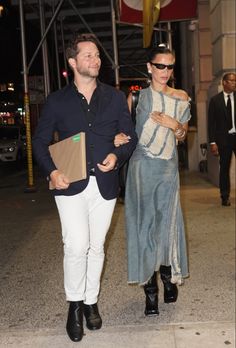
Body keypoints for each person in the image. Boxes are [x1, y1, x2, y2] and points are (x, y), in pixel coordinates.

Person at [33, 34, 137, 342]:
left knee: (96, 247)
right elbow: (39, 142)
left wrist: (116, 155)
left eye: (97, 55)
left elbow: (128, 135)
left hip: (104, 184)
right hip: (69, 183)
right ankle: (74, 304)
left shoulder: (115, 98)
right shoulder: (56, 101)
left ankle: (91, 301)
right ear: (73, 62)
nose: (96, 60)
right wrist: (51, 171)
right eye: (88, 56)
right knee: (76, 245)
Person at [115, 45, 191, 316]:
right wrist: (118, 139)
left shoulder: (181, 97)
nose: (165, 72)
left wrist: (176, 126)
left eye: (170, 66)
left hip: (168, 170)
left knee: (167, 225)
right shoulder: (137, 97)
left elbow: (182, 137)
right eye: (160, 66)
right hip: (141, 169)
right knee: (144, 227)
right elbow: (124, 131)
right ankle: (151, 293)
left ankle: (169, 280)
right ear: (149, 67)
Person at [208, 72, 236, 206]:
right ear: (224, 82)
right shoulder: (215, 100)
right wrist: (213, 142)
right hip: (224, 140)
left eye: (235, 81)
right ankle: (224, 196)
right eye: (231, 81)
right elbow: (211, 123)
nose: (234, 83)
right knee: (224, 168)